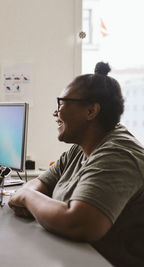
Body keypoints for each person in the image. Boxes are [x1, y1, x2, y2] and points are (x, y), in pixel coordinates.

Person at [8, 62, 144, 267]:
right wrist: (33, 196)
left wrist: (28, 198)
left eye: (61, 104)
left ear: (91, 111)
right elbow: (39, 183)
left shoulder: (119, 154)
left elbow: (80, 223)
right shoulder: (80, 149)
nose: (55, 113)